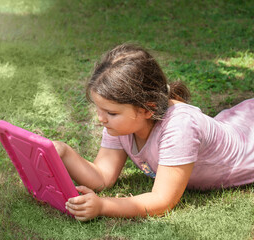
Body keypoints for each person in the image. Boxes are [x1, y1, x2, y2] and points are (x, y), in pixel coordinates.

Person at [53, 43, 254, 221]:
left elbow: (162, 199)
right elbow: (102, 177)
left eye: (110, 112)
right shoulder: (120, 124)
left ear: (147, 110)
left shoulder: (179, 127)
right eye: (99, 109)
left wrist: (103, 205)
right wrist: (62, 153)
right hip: (236, 125)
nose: (101, 118)